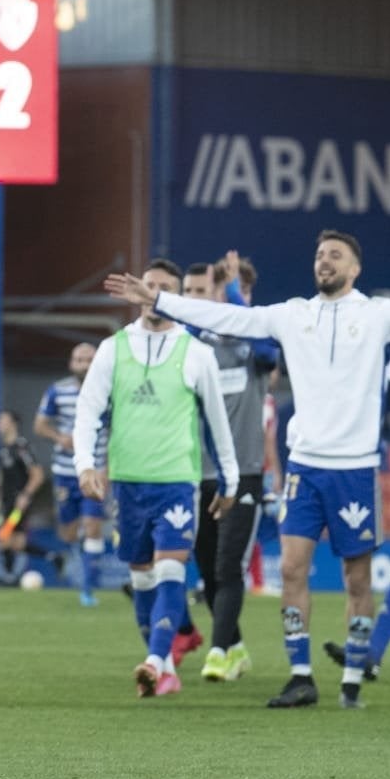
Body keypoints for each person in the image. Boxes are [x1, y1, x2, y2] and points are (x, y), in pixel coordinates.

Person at [108, 231, 390, 709]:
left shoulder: (378, 314)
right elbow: (228, 316)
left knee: (357, 580)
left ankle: (351, 678)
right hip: (305, 465)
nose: (324, 262)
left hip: (356, 468)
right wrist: (160, 299)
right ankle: (301, 676)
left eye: (335, 256)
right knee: (295, 569)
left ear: (355, 268)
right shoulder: (292, 315)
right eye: (320, 254)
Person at [77, 258, 238, 699]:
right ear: (135, 290)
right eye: (148, 285)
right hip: (127, 485)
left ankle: (153, 660)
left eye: (165, 287)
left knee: (170, 569)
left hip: (175, 482)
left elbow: (216, 423)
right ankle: (163, 665)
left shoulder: (196, 353)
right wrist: (84, 464)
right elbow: (89, 408)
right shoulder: (113, 348)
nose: (154, 293)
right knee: (142, 579)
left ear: (177, 296)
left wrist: (231, 479)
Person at [180, 260, 277, 683]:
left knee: (228, 565)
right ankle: (234, 646)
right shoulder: (197, 347)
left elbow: (268, 352)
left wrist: (236, 299)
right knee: (206, 569)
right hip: (199, 473)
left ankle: (218, 652)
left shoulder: (256, 345)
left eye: (241, 291)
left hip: (246, 474)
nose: (234, 298)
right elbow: (178, 336)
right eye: (226, 291)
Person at [34, 342, 107, 606]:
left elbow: (117, 432)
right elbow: (39, 424)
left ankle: (88, 587)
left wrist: (108, 469)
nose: (84, 365)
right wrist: (59, 437)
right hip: (65, 470)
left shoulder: (108, 391)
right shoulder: (58, 391)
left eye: (89, 360)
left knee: (93, 525)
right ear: (71, 363)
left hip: (95, 470)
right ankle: (77, 560)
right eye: (79, 360)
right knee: (68, 531)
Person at [0, 410, 45, 585]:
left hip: (18, 503)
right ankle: (53, 557)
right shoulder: (3, 449)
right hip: (6, 501)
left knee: (4, 537)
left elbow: (37, 474)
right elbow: (2, 476)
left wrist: (26, 495)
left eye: (3, 420)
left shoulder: (21, 447)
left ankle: (9, 579)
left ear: (13, 424)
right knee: (16, 543)